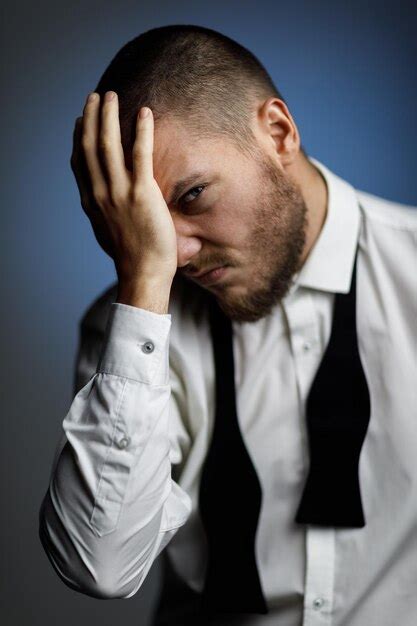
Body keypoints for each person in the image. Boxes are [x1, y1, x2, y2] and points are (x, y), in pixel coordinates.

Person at [38, 24, 417, 626]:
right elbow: (99, 565)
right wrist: (142, 288)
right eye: (146, 225)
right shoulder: (135, 335)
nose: (177, 254)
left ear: (278, 133)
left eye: (191, 197)